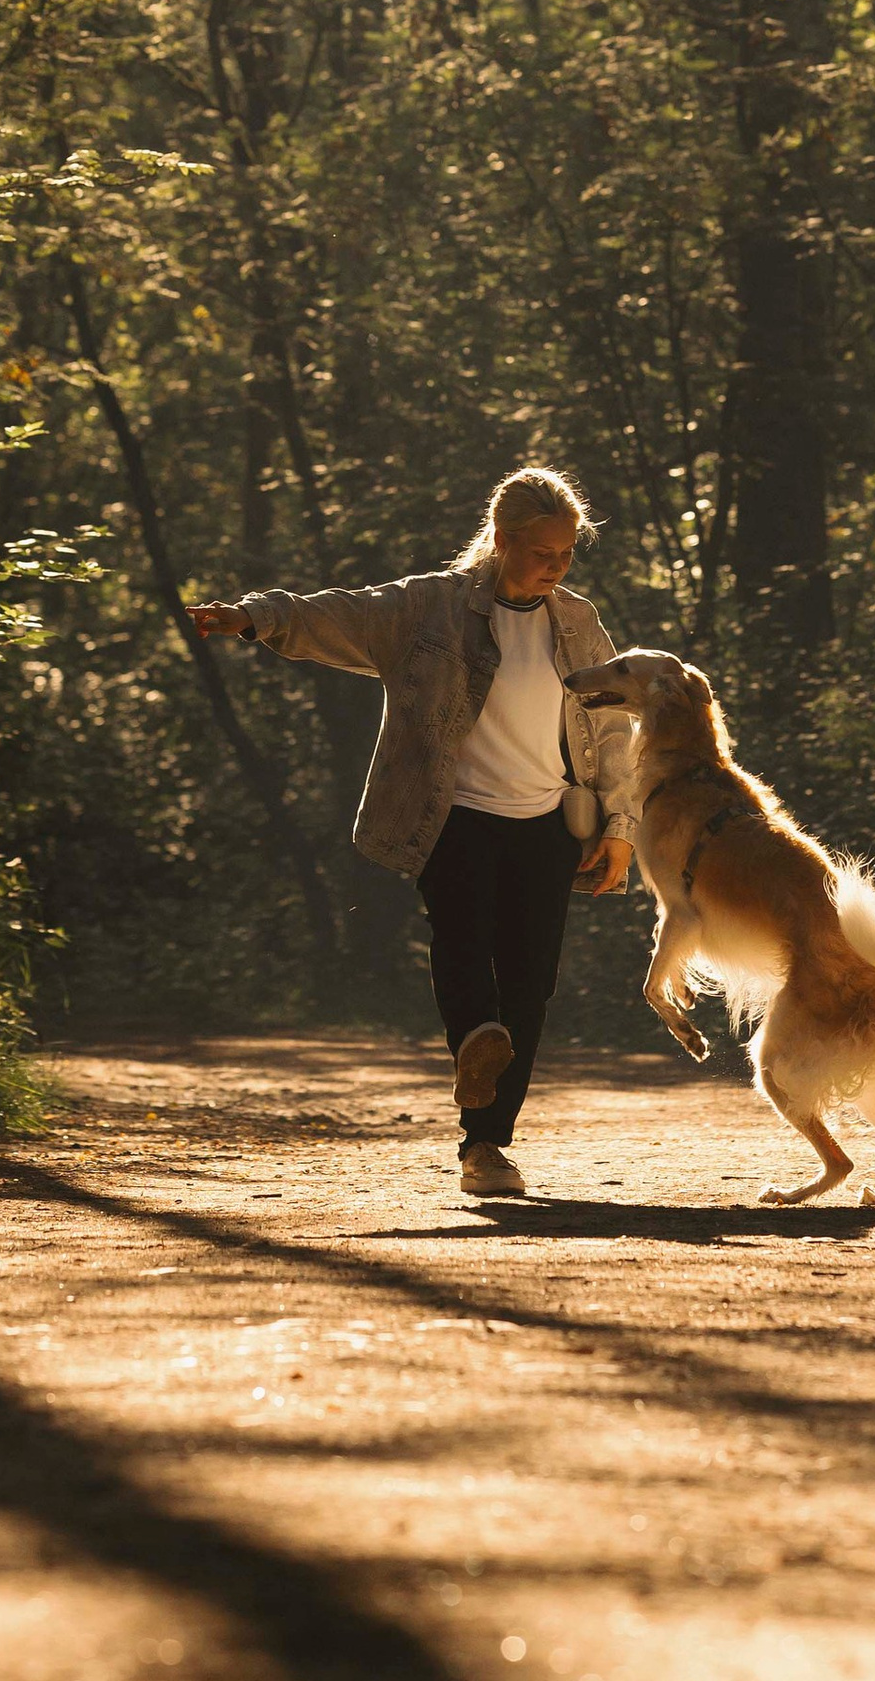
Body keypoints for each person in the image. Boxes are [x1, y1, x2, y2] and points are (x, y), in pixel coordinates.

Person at [190, 463, 635, 1199]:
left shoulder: (577, 621)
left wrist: (618, 825)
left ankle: (486, 1144)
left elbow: (614, 723)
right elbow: (340, 613)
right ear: (500, 539)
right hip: (453, 814)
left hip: (546, 823)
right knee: (463, 946)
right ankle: (476, 1061)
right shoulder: (429, 608)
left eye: (565, 556)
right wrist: (252, 615)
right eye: (541, 553)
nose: (555, 568)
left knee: (531, 985)